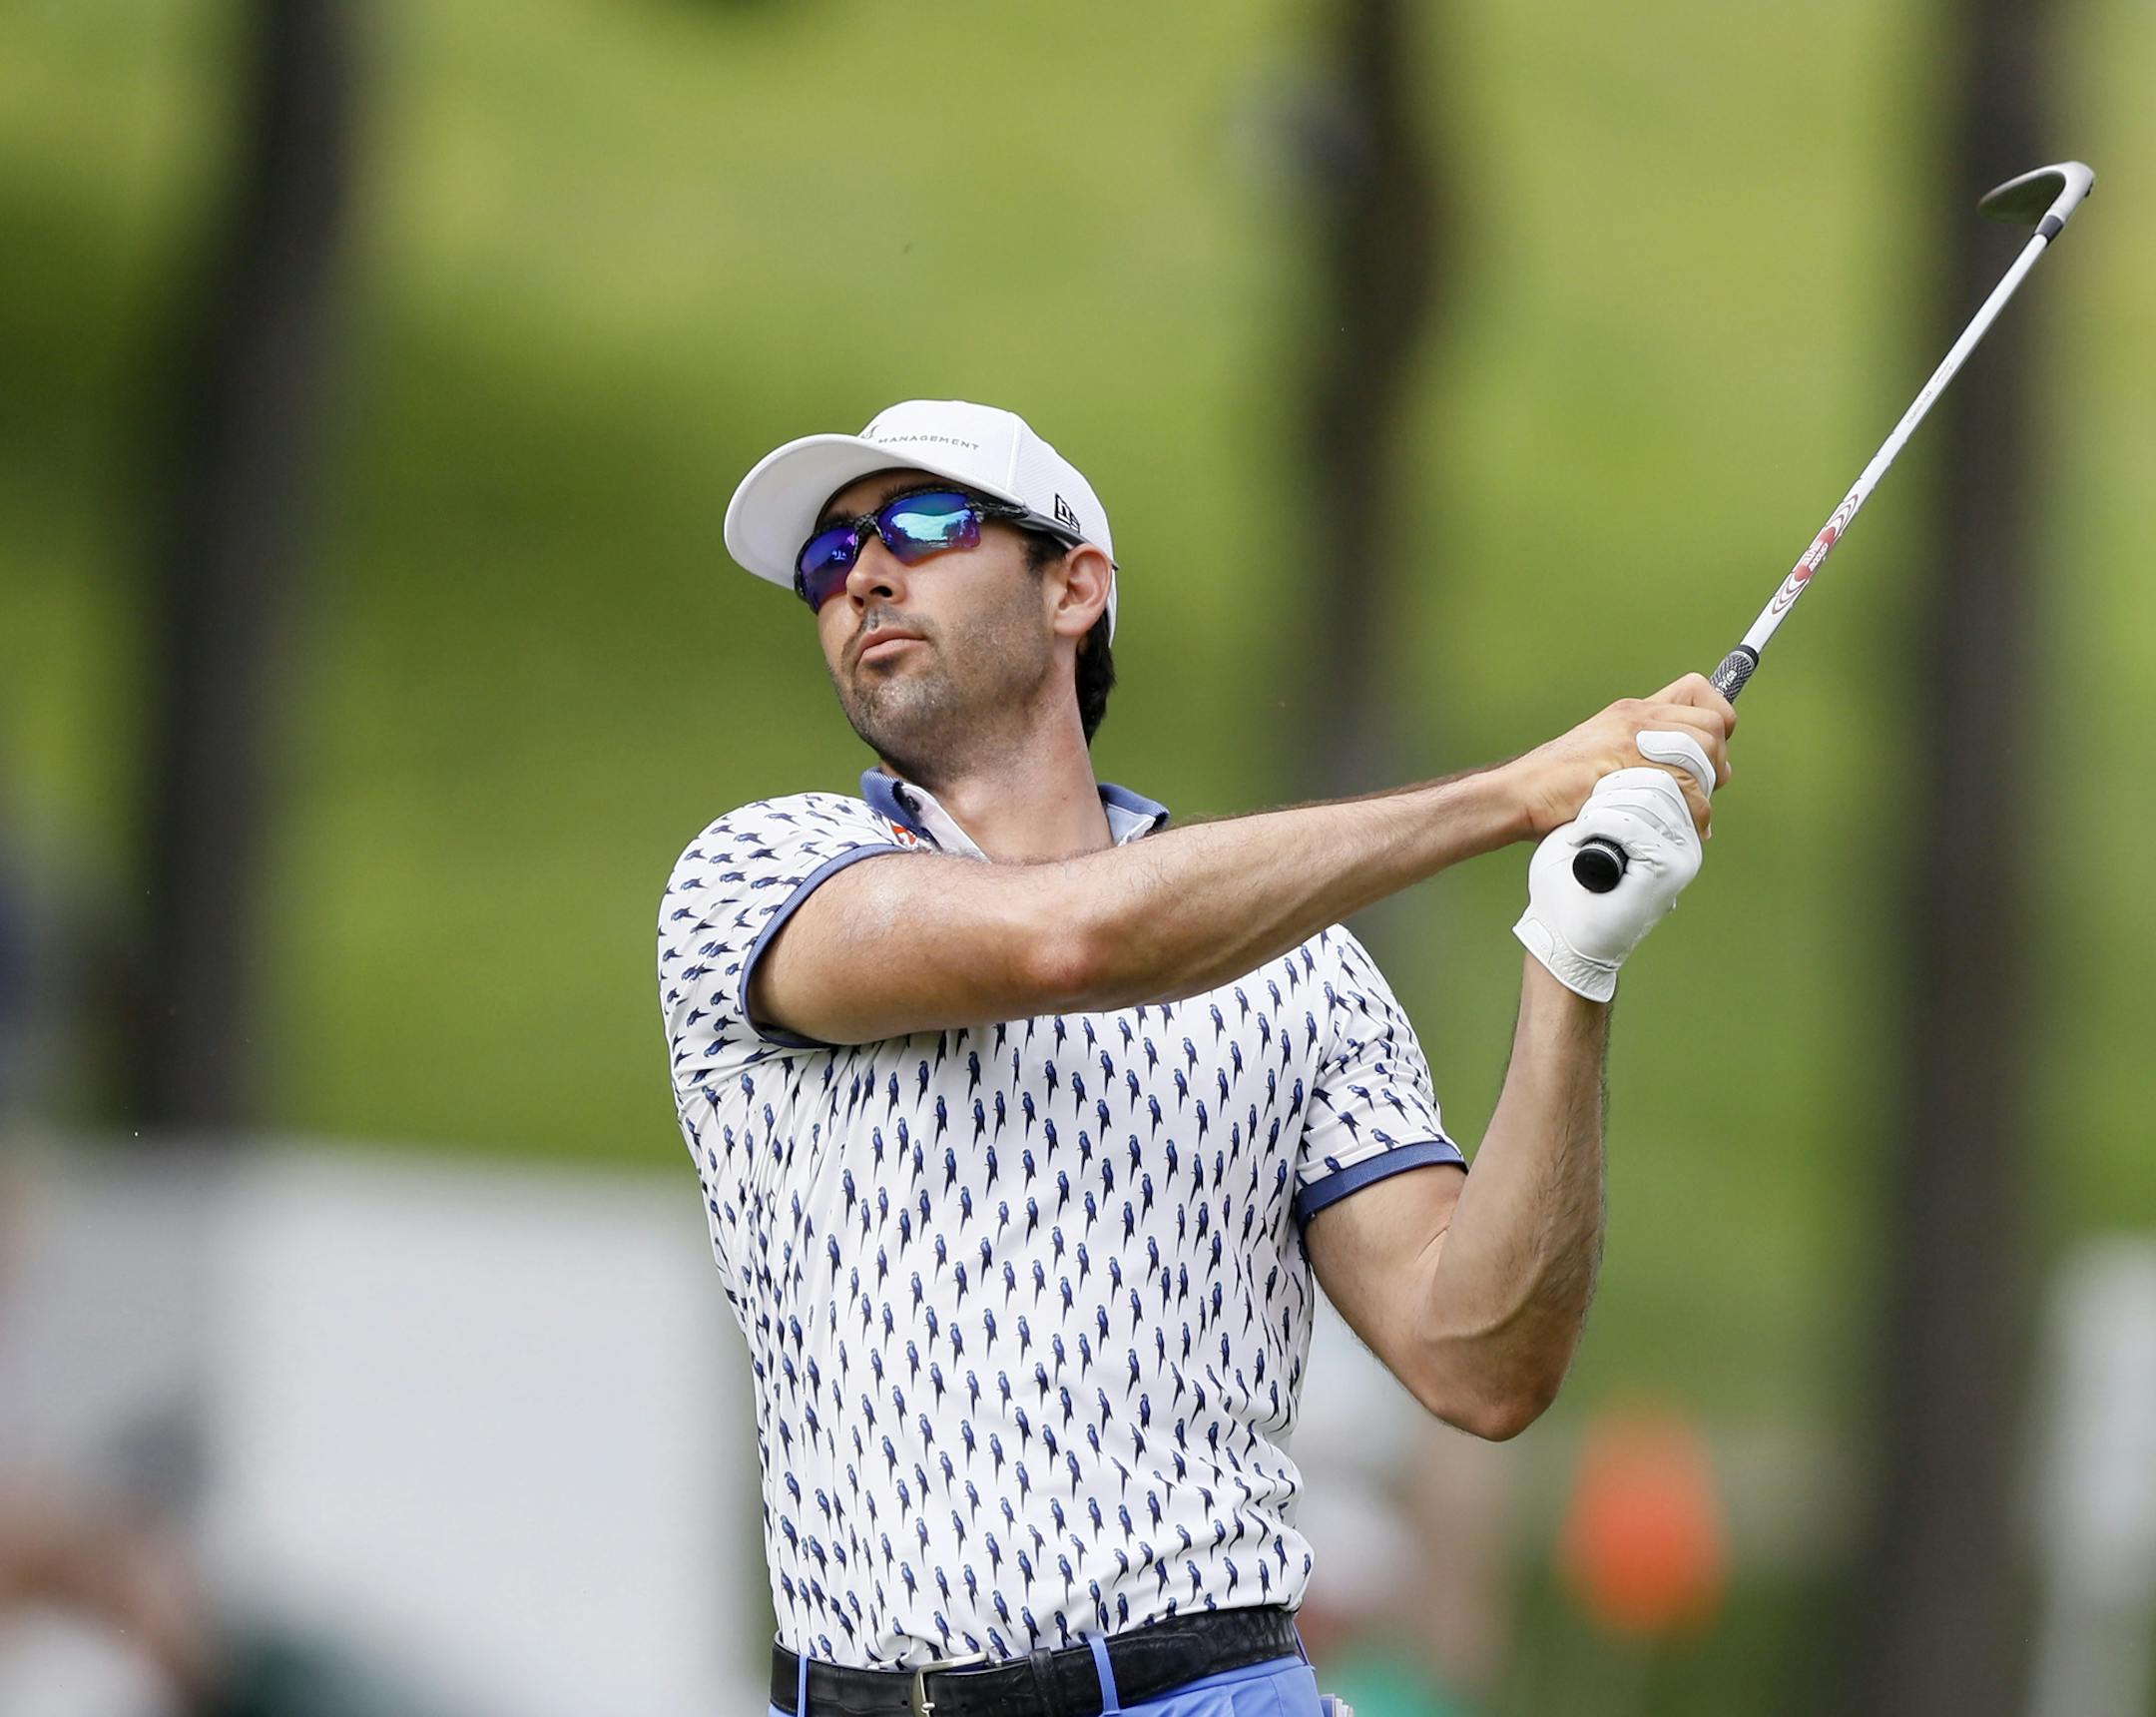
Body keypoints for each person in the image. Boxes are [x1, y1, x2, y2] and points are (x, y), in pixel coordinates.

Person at [656, 400, 1735, 1717]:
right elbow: (1068, 940)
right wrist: (1508, 797)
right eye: (828, 564)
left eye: (925, 527)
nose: (863, 576)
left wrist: (1574, 968)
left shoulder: (1300, 968)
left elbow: (1483, 1363)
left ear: (1076, 588)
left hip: (1207, 1688)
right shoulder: (756, 875)